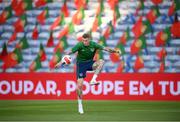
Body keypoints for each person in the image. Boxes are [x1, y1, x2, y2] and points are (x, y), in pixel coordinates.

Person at [56, 33, 120, 114]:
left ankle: (93, 80)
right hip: (81, 65)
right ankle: (80, 104)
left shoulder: (94, 44)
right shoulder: (79, 45)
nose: (84, 42)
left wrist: (116, 51)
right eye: (83, 40)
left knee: (101, 61)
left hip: (90, 63)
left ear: (89, 39)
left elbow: (106, 49)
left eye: (86, 41)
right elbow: (69, 52)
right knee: (79, 86)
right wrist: (61, 62)